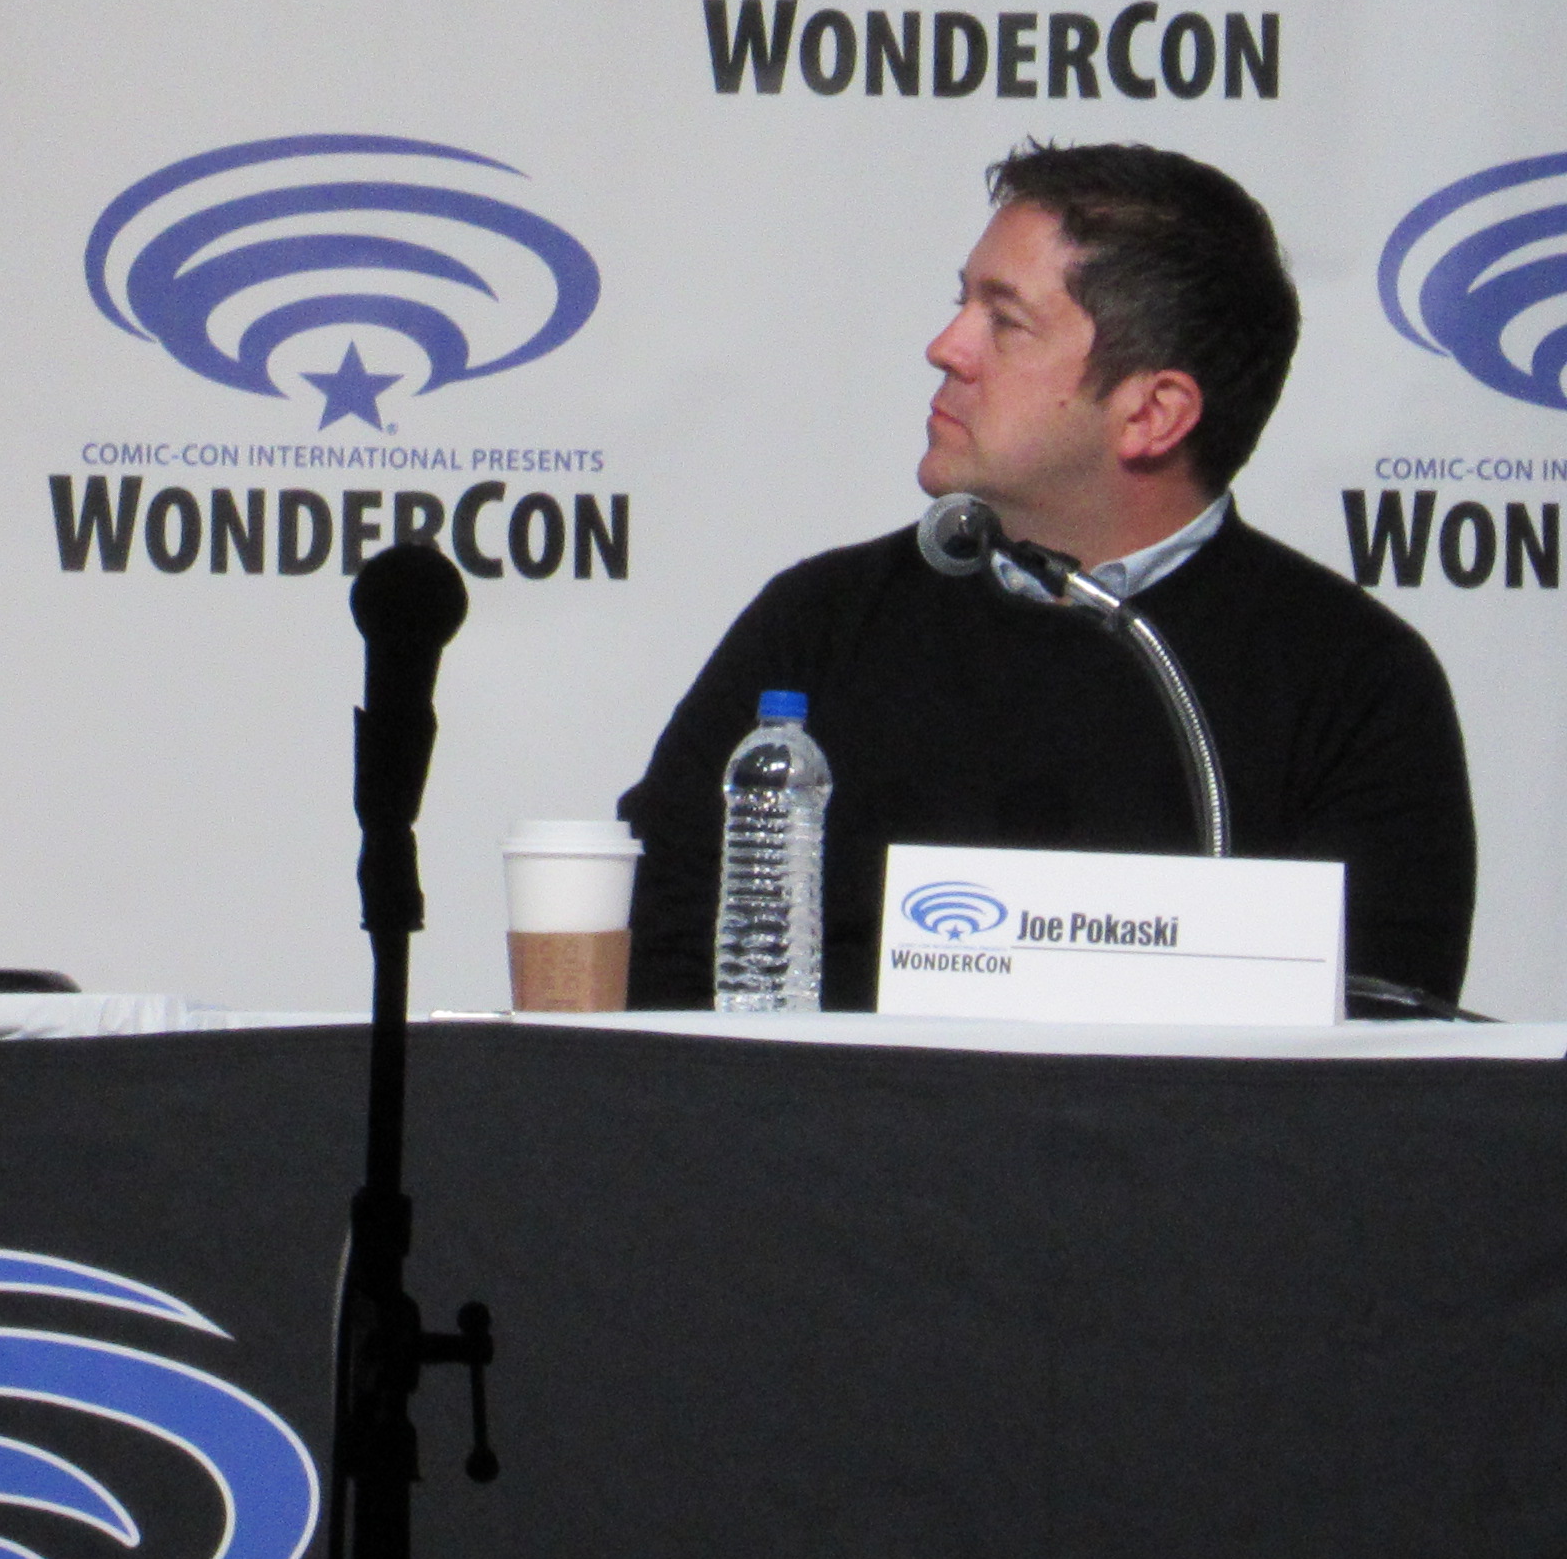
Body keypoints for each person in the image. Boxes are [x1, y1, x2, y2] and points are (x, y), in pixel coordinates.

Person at [620, 141, 1475, 1009]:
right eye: (962, 303)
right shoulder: (821, 623)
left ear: (1152, 414)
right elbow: (660, 959)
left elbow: (1378, 1037)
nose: (945, 348)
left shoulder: (1358, 683)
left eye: (1005, 321)